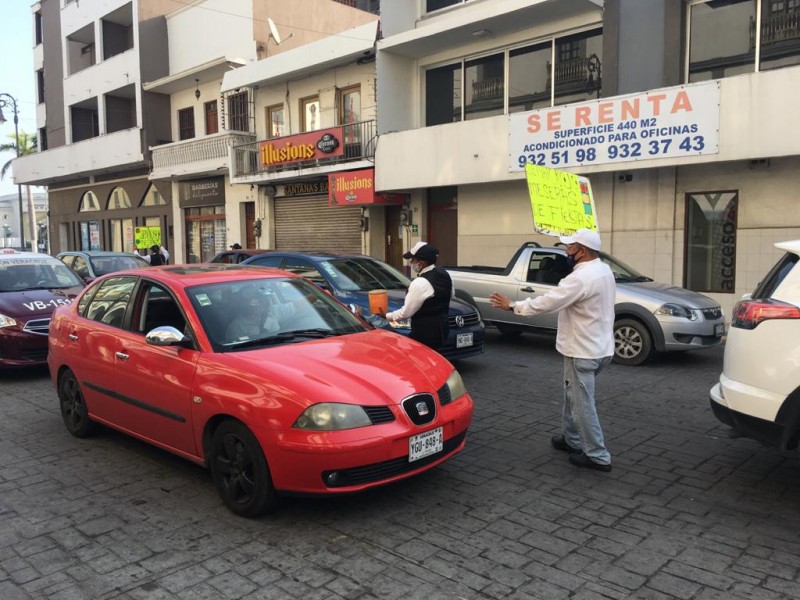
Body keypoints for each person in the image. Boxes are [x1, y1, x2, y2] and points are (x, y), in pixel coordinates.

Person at [489, 229, 616, 472]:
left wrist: (513, 305)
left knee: (581, 403)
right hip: (599, 348)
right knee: (574, 396)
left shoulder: (580, 278)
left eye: (570, 247)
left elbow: (547, 302)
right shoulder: (603, 270)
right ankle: (571, 439)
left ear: (583, 251)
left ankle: (597, 455)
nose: (566, 251)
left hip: (583, 350)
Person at [381, 241, 453, 350]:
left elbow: (406, 312)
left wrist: (387, 316)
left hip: (424, 332)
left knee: (421, 361)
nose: (411, 262)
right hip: (442, 328)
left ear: (421, 262)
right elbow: (451, 294)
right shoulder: (444, 274)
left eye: (413, 259)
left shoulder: (420, 283)